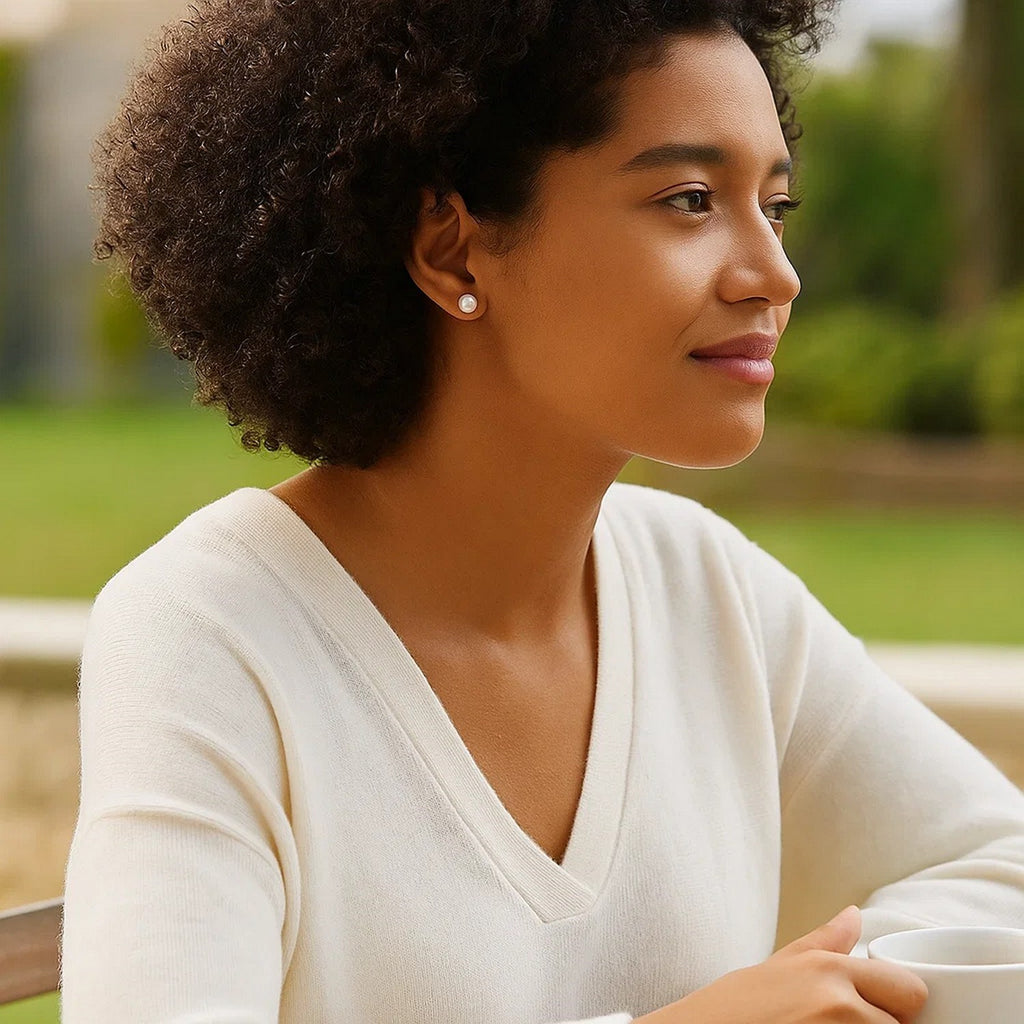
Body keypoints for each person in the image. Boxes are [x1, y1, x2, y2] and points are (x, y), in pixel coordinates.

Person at [60, 0, 1024, 1021]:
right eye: (691, 199)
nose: (773, 274)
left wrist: (826, 989)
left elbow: (998, 867)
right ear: (452, 249)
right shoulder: (211, 635)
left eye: (772, 206)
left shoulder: (706, 590)